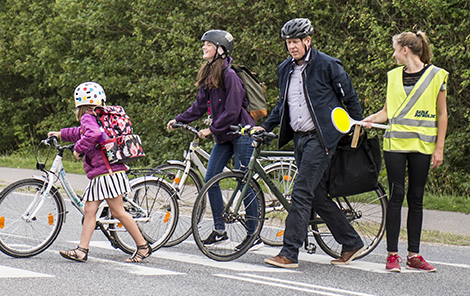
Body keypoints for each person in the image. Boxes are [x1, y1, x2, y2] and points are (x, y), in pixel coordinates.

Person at [257, 18, 365, 268]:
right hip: (300, 138)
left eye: (295, 42)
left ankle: (289, 252)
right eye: (288, 42)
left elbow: (351, 99)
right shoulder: (285, 69)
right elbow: (281, 106)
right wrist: (264, 127)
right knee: (316, 195)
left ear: (308, 41)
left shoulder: (328, 65)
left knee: (301, 192)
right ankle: (351, 242)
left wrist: (354, 133)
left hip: (322, 138)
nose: (291, 47)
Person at [361, 31, 448, 272]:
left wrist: (439, 148)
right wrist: (370, 120)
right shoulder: (392, 77)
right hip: (395, 145)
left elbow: (442, 114)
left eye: (395, 49)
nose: (393, 54)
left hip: (422, 146)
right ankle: (392, 255)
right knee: (396, 196)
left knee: (416, 199)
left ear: (406, 50)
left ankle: (414, 255)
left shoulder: (437, 76)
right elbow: (386, 113)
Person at [165, 30, 258, 248]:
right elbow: (199, 106)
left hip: (242, 132)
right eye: (204, 44)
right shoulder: (209, 73)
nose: (204, 48)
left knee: (244, 181)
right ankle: (220, 230)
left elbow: (233, 109)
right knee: (210, 179)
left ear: (220, 49)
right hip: (225, 134)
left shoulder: (230, 75)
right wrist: (178, 119)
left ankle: (253, 233)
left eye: (208, 44)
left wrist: (212, 129)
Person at [50, 82, 152, 263]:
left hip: (106, 172)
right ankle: (82, 250)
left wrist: (78, 149)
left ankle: (143, 247)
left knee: (118, 211)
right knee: (90, 210)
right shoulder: (98, 115)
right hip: (107, 170)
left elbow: (91, 134)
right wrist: (60, 134)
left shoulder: (88, 117)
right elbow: (81, 132)